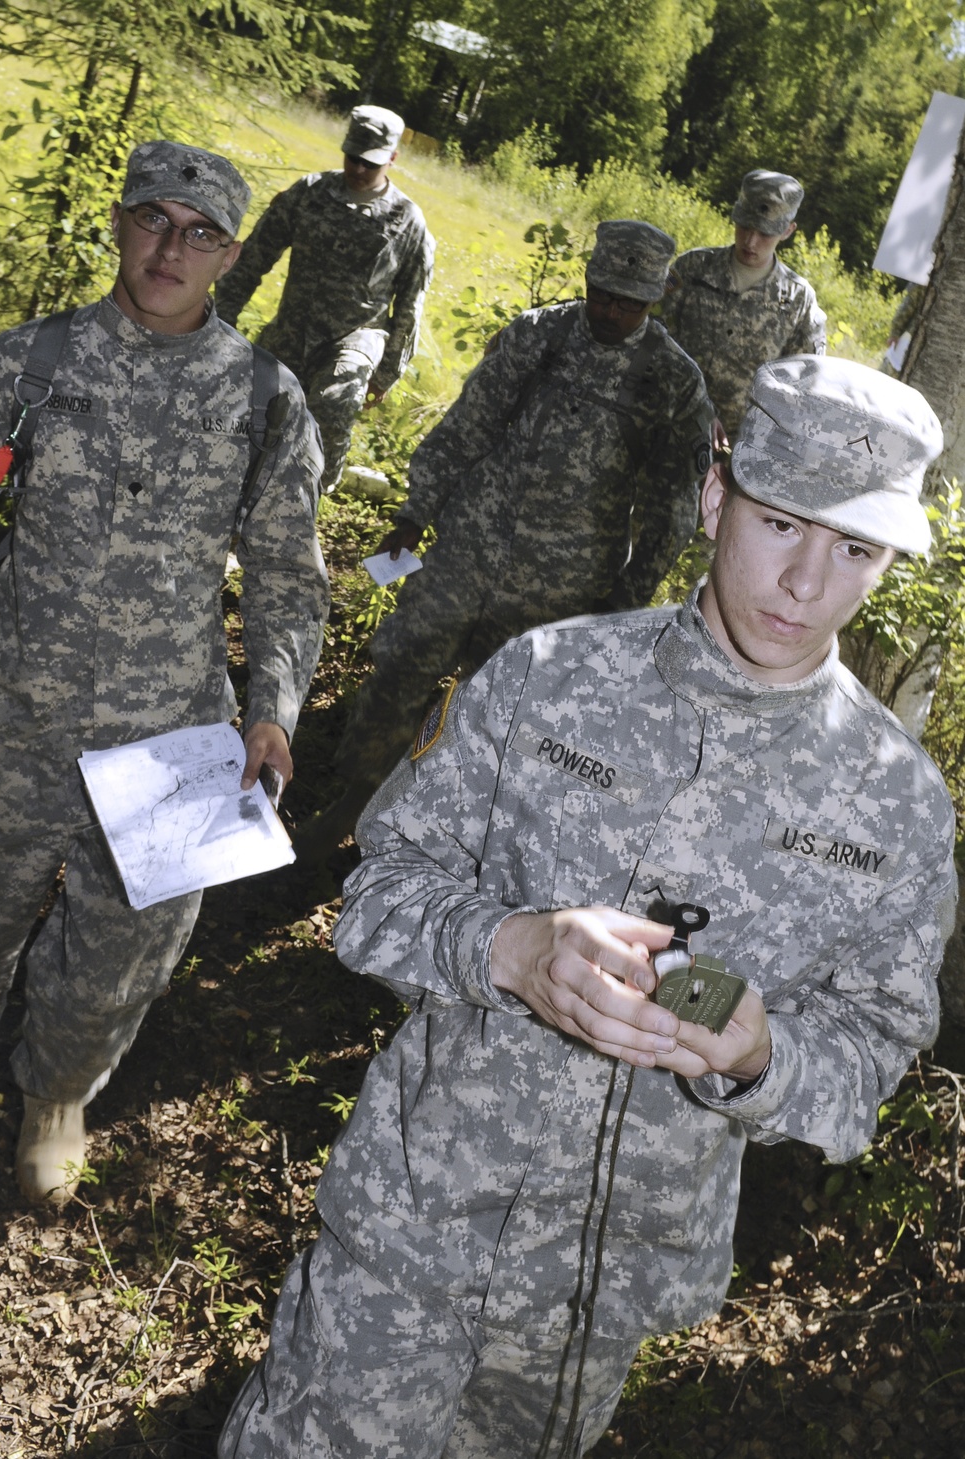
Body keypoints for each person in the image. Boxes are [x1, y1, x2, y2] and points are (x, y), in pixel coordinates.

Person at [219, 354, 956, 1459]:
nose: (804, 580)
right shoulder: (545, 679)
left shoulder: (897, 803)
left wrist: (759, 1060)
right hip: (411, 1231)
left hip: (596, 1307)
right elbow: (374, 896)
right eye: (779, 523)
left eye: (852, 547)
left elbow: (868, 1062)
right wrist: (508, 948)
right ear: (715, 497)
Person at [0, 140, 330, 1205]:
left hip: (169, 736)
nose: (172, 247)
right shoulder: (26, 367)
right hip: (7, 715)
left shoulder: (265, 400)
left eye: (201, 232)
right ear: (121, 224)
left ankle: (56, 1095)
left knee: (124, 945)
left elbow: (284, 573)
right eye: (154, 219)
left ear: (228, 254)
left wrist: (273, 710)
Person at [298, 219, 714, 854]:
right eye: (601, 293)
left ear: (655, 298)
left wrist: (621, 606)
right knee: (401, 666)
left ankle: (440, 840)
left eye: (628, 303)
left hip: (559, 591)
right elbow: (468, 424)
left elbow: (669, 514)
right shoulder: (538, 336)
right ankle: (352, 803)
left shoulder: (673, 383)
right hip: (467, 548)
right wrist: (414, 514)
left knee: (506, 719)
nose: (609, 310)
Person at [215, 105, 435, 492]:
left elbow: (410, 303)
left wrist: (387, 373)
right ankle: (241, 500)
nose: (360, 169)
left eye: (371, 162)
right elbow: (255, 256)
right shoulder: (310, 193)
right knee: (254, 409)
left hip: (356, 336)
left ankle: (311, 496)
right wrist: (224, 316)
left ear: (392, 159)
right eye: (353, 157)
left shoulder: (406, 220)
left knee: (334, 404)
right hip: (294, 326)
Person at [661, 169, 826, 446]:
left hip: (741, 449)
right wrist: (693, 406)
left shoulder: (798, 301)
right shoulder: (692, 269)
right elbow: (655, 340)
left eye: (764, 233)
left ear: (787, 230)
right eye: (745, 226)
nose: (750, 241)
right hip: (666, 424)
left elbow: (802, 389)